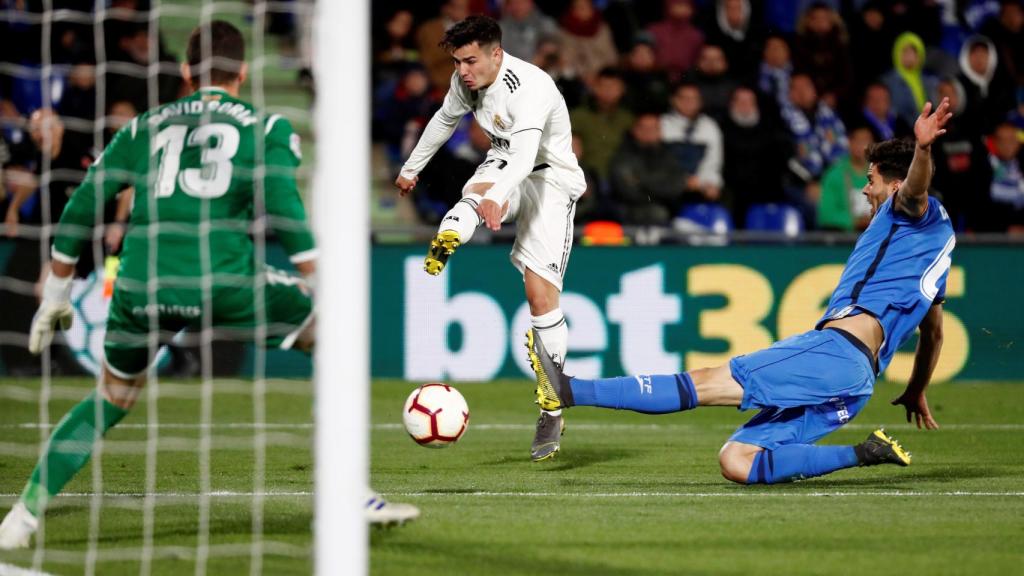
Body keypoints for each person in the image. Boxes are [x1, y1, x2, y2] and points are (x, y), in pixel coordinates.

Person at [0, 21, 417, 550]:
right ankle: (344, 493)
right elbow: (284, 208)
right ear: (244, 71)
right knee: (334, 339)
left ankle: (22, 516)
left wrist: (57, 291)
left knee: (109, 397)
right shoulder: (264, 129)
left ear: (185, 72)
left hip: (141, 286)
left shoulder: (143, 127)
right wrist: (318, 276)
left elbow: (84, 201)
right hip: (224, 280)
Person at [526, 98, 956, 486]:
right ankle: (866, 452)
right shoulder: (935, 252)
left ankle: (570, 390)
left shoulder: (909, 211)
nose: (865, 189)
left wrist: (922, 149)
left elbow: (916, 190)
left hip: (836, 353)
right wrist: (917, 387)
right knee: (737, 461)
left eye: (872, 180)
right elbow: (933, 334)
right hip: (857, 384)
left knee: (704, 383)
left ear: (894, 186)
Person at [394, 16, 587, 463]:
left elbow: (525, 156)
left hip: (550, 181)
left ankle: (552, 404)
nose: (463, 70)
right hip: (504, 164)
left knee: (541, 299)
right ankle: (451, 233)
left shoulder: (531, 87)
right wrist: (411, 168)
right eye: (458, 61)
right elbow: (444, 120)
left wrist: (499, 198)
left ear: (496, 53)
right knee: (476, 194)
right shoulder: (466, 80)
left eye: (471, 60)